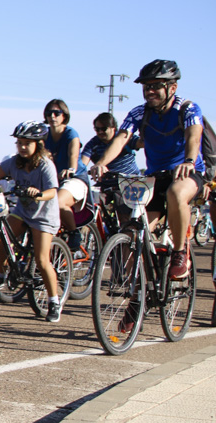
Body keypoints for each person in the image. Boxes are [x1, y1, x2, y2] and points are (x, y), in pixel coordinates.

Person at [90, 59, 205, 282]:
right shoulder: (139, 113)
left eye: (155, 86)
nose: (149, 91)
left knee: (176, 193)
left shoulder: (187, 108)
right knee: (135, 235)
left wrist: (189, 160)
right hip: (155, 177)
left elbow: (194, 135)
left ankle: (180, 253)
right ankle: (137, 302)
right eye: (146, 86)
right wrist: (102, 162)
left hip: (186, 173)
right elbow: (121, 138)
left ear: (172, 87)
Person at [0, 121, 64, 323]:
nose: (22, 147)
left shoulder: (45, 165)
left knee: (42, 261)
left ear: (38, 145)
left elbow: (52, 191)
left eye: (27, 143)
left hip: (44, 215)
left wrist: (38, 194)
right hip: (23, 212)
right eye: (19, 143)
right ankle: (0, 276)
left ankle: (53, 301)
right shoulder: (14, 163)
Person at [42, 99, 92, 255]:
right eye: (49, 113)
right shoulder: (44, 135)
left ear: (64, 115)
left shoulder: (71, 133)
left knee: (58, 201)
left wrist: (70, 169)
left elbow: (73, 154)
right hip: (54, 180)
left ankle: (74, 232)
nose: (53, 116)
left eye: (57, 113)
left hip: (74, 178)